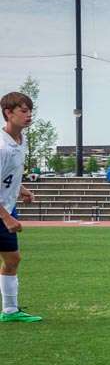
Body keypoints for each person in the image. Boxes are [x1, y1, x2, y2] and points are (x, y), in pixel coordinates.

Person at [0, 91, 42, 323]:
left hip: (5, 206)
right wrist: (6, 218)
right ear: (8, 113)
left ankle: (10, 311)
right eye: (23, 111)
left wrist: (21, 189)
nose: (29, 116)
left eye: (30, 111)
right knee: (12, 259)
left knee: (13, 260)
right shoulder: (1, 147)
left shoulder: (20, 140)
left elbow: (9, 175)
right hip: (2, 212)